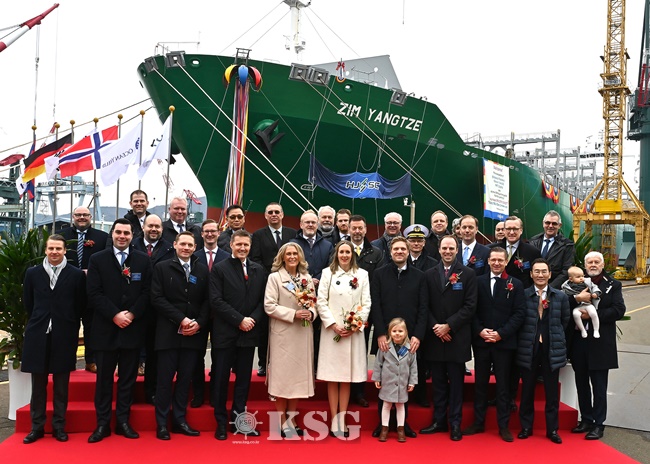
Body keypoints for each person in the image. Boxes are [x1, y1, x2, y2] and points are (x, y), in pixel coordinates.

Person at [86, 218, 152, 443]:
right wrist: (115, 315)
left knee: (127, 381)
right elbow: (93, 293)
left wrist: (131, 314)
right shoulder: (97, 259)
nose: (122, 236)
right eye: (118, 232)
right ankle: (102, 424)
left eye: (126, 233)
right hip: (106, 329)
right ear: (112, 234)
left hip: (132, 329)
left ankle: (123, 421)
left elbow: (147, 292)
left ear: (132, 236)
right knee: (104, 381)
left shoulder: (142, 260)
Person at [21, 234, 86, 444]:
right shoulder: (32, 273)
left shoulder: (76, 275)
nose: (54, 252)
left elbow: (80, 305)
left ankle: (59, 426)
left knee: (61, 386)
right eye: (51, 248)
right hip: (38, 334)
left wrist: (68, 323)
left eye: (58, 248)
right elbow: (28, 303)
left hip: (64, 334)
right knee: (38, 385)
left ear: (65, 250)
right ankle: (37, 427)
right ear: (46, 250)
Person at [462, 247, 525, 443]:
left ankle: (503, 426)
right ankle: (478, 422)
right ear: (488, 261)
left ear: (506, 262)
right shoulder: (477, 282)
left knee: (503, 386)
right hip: (482, 342)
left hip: (504, 343)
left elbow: (519, 313)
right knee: (480, 384)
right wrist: (480, 330)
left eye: (500, 260)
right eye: (493, 260)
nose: (496, 263)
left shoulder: (515, 284)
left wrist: (501, 334)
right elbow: (471, 309)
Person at [151, 231, 210, 440]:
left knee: (185, 380)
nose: (186, 248)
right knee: (164, 381)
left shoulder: (202, 270)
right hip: (168, 334)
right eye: (182, 244)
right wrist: (181, 319)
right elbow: (157, 298)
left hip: (193, 335)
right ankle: (161, 424)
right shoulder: (162, 267)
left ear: (195, 247)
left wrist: (199, 323)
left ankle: (179, 420)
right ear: (175, 245)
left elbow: (207, 301)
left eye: (190, 245)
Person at [210, 230, 267, 440]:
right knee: (221, 379)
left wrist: (252, 319)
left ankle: (239, 421)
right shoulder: (219, 269)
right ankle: (220, 422)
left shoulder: (258, 270)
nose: (242, 248)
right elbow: (216, 300)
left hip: (249, 333)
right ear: (231, 245)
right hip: (225, 333)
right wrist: (239, 320)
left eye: (246, 245)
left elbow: (263, 300)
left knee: (243, 380)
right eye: (239, 244)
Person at [419, 235, 477, 441]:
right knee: (438, 384)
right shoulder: (429, 274)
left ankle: (455, 423)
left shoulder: (468, 274)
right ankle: (439, 421)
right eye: (444, 248)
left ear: (457, 250)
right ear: (439, 249)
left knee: (456, 385)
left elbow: (470, 306)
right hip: (435, 337)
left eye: (451, 248)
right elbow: (424, 305)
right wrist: (436, 327)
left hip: (457, 338)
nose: (447, 251)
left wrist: (449, 326)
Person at [370, 236, 426, 439]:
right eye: (396, 249)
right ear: (390, 251)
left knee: (403, 379)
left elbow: (423, 307)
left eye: (403, 249)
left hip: (408, 338)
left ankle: (403, 425)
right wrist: (380, 334)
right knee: (387, 379)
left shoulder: (419, 276)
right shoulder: (379, 274)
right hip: (386, 337)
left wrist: (417, 335)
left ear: (408, 251)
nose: (400, 252)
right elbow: (375, 305)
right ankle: (382, 424)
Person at [568, 251, 626, 440]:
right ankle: (586, 419)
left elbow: (619, 310)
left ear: (602, 265)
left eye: (596, 262)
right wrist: (577, 301)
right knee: (581, 383)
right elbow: (564, 305)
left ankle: (599, 424)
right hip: (579, 342)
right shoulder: (575, 283)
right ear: (585, 266)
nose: (593, 265)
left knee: (599, 386)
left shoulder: (613, 285)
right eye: (590, 262)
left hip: (601, 343)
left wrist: (592, 315)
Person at [316, 241, 371, 437]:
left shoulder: (362, 275)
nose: (345, 255)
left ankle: (343, 419)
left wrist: (355, 325)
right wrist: (333, 324)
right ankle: (333, 419)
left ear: (353, 254)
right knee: (333, 377)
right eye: (342, 252)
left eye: (348, 252)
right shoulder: (327, 274)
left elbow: (366, 303)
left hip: (352, 333)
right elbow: (321, 301)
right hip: (332, 332)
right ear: (336, 254)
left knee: (346, 377)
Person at [263, 243, 316, 437]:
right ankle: (281, 420)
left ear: (300, 256)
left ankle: (292, 419)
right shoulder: (275, 278)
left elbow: (314, 303)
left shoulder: (306, 278)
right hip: (283, 335)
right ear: (282, 257)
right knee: (282, 379)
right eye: (289, 254)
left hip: (302, 334)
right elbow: (269, 306)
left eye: (295, 253)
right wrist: (294, 314)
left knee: (297, 380)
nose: (292, 257)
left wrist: (311, 313)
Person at [516, 258, 569, 444]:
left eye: (544, 271)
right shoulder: (523, 295)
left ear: (550, 274)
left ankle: (552, 429)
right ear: (531, 274)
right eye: (537, 271)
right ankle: (526, 427)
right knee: (527, 391)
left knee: (551, 393)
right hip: (528, 349)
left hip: (551, 349)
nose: (540, 275)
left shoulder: (560, 296)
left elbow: (565, 321)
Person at [57, 205, 108, 373]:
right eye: (78, 214)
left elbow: (106, 262)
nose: (81, 217)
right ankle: (67, 361)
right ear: (73, 216)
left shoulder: (102, 237)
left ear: (90, 217)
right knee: (67, 327)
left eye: (85, 215)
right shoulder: (61, 236)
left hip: (91, 291)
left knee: (91, 327)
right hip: (67, 290)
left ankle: (91, 361)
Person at [250, 202, 297, 377]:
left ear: (282, 214)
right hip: (267, 285)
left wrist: (287, 277)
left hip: (290, 287)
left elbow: (296, 257)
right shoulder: (258, 235)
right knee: (265, 328)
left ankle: (287, 361)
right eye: (270, 212)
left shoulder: (292, 234)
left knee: (288, 325)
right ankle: (263, 363)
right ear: (265, 215)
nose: (274, 214)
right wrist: (274, 277)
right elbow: (255, 260)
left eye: (277, 211)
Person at [131, 214, 174, 398]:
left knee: (154, 354)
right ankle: (129, 394)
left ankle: (151, 392)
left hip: (158, 312)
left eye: (157, 226)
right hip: (134, 309)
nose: (154, 229)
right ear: (143, 227)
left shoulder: (170, 249)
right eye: (150, 226)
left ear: (162, 229)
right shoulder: (132, 246)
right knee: (131, 354)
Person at [190, 219, 229, 408]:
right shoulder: (194, 256)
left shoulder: (227, 257)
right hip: (199, 314)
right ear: (202, 234)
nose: (210, 234)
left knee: (219, 357)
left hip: (221, 316)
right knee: (197, 356)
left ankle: (216, 394)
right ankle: (198, 394)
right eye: (206, 231)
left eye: (213, 231)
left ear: (219, 233)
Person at [372, 318, 418, 443]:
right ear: (389, 332)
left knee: (400, 406)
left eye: (400, 331)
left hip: (402, 383)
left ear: (406, 332)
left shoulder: (410, 349)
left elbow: (413, 367)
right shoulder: (384, 347)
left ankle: (400, 429)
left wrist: (412, 382)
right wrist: (377, 378)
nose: (397, 334)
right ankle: (384, 429)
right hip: (387, 383)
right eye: (394, 331)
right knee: (386, 406)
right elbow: (378, 363)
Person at [529, 210, 575, 288]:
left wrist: (549, 288)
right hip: (533, 288)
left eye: (554, 223)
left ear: (559, 225)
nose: (550, 226)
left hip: (555, 289)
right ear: (543, 224)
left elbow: (566, 270)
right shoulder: (533, 242)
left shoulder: (567, 245)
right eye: (547, 223)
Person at [496, 215, 541, 288]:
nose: (511, 232)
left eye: (515, 229)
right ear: (504, 230)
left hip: (522, 292)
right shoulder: (492, 249)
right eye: (508, 229)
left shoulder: (533, 252)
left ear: (521, 230)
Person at [562, 266, 601, 339]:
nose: (581, 278)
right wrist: (577, 298)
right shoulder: (566, 287)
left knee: (593, 313)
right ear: (570, 279)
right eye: (578, 277)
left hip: (587, 304)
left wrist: (596, 293)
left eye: (582, 276)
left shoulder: (587, 282)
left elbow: (594, 287)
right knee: (575, 314)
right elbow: (563, 297)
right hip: (577, 306)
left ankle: (596, 330)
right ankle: (583, 330)